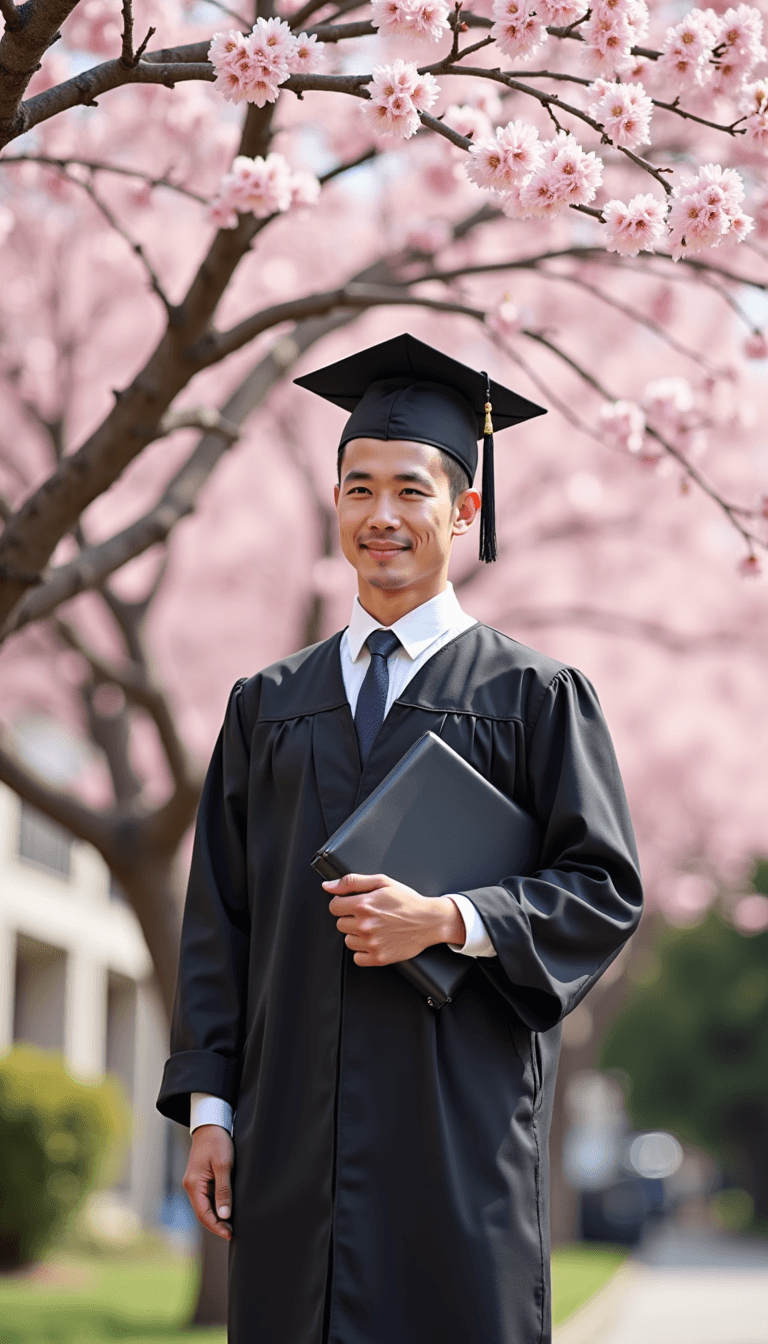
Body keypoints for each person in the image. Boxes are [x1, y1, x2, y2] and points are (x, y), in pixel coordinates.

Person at [156, 332, 644, 1344]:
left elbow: (603, 888)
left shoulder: (533, 697)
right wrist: (211, 1111)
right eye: (358, 487)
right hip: (291, 1130)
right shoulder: (268, 705)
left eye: (412, 491)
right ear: (335, 502)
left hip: (455, 1129)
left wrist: (452, 919)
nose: (383, 516)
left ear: (464, 511)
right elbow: (219, 922)